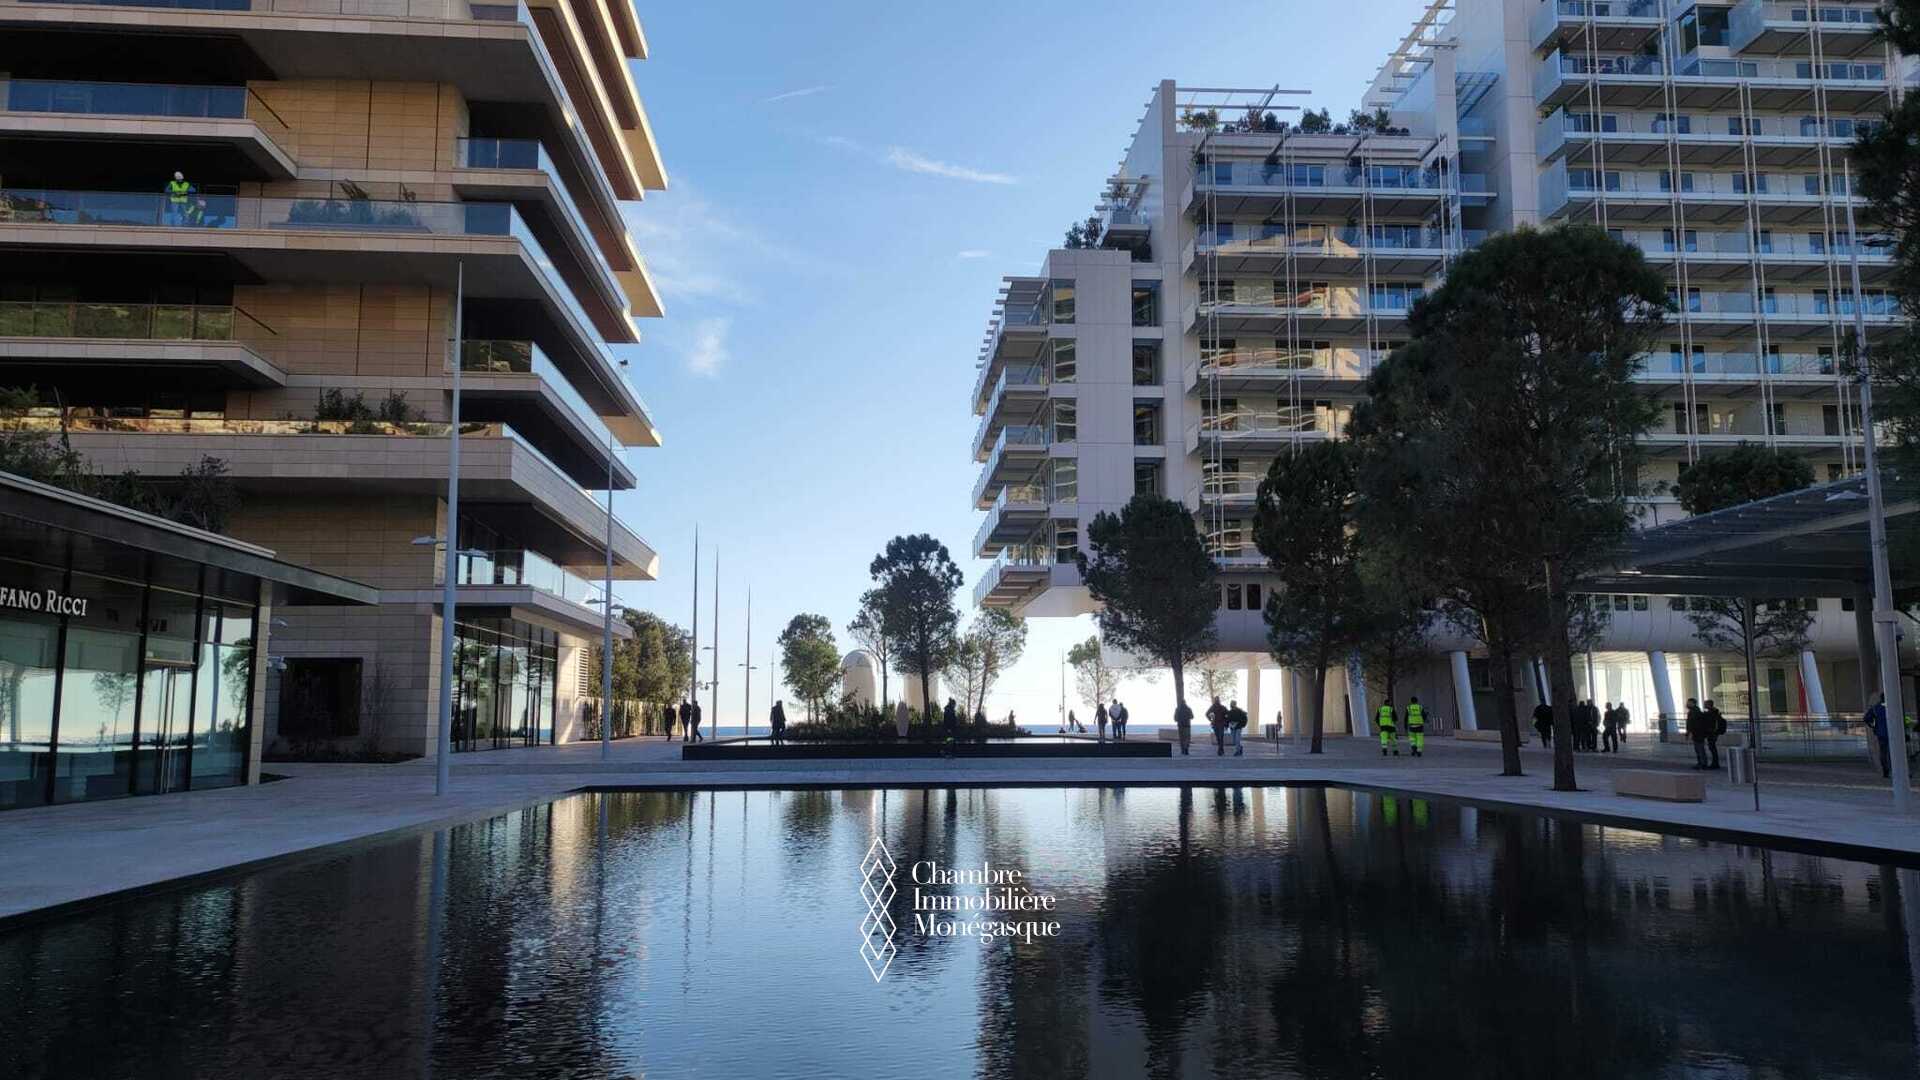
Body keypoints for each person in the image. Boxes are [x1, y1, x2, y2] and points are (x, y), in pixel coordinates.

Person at [1702, 699, 1725, 770]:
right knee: (1712, 748)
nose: (1704, 705)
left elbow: (1711, 723)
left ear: (1709, 705)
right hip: (1712, 732)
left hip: (1712, 733)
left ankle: (1715, 763)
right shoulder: (1713, 712)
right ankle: (1715, 763)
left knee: (1712, 748)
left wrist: (1713, 732)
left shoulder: (1712, 713)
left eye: (1705, 704)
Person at [1685, 697, 1708, 769]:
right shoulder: (1694, 711)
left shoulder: (1694, 712)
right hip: (1697, 733)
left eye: (1688, 703)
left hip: (1698, 733)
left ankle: (1703, 764)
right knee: (1698, 749)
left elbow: (1692, 724)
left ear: (1693, 703)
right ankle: (1701, 763)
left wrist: (1688, 732)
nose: (1687, 704)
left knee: (1700, 749)